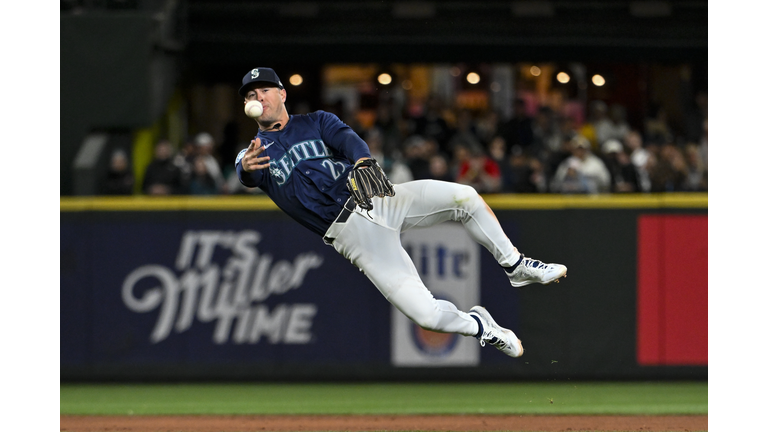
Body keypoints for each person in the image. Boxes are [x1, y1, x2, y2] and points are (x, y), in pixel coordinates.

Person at [234, 67, 567, 359]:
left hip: (378, 198)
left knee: (465, 197)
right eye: (251, 93)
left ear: (282, 93)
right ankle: (481, 326)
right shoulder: (255, 153)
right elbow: (245, 172)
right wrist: (246, 167)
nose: (258, 96)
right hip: (353, 237)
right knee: (427, 316)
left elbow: (347, 139)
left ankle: (516, 265)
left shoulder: (316, 121)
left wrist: (362, 159)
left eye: (264, 89)